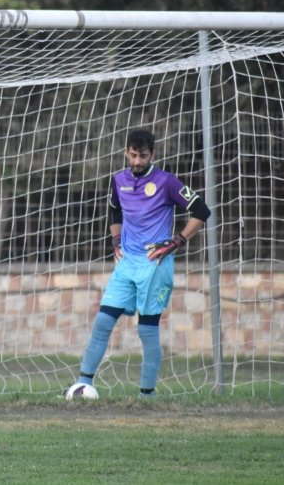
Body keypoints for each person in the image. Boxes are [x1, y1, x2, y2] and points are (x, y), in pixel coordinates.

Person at [72, 128, 211, 398]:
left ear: (153, 155)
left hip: (154, 265)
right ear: (126, 152)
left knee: (146, 328)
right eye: (133, 156)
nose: (137, 162)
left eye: (143, 156)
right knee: (103, 321)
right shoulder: (118, 180)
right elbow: (114, 209)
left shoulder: (167, 182)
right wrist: (115, 239)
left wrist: (177, 241)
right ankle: (83, 384)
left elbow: (201, 210)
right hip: (127, 264)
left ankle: (147, 396)